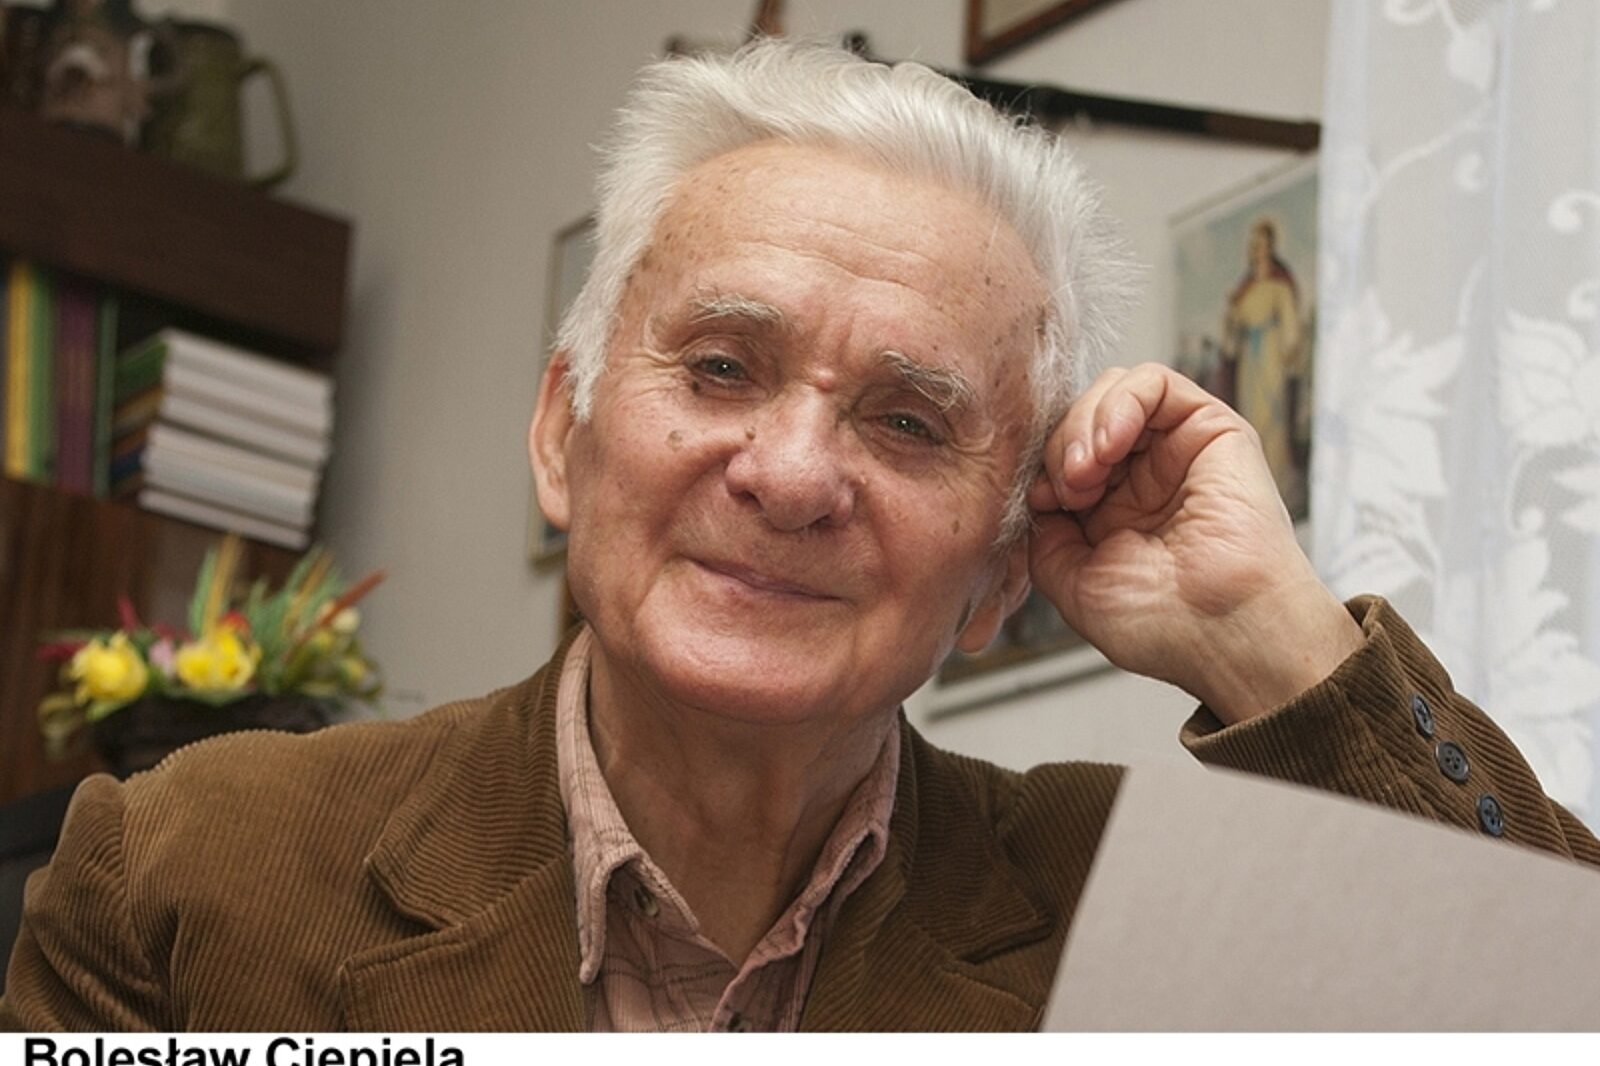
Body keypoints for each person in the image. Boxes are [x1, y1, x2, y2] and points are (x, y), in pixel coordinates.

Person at [4, 40, 1597, 1033]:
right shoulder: (183, 870)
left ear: (999, 572)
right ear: (563, 430)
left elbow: (1555, 1011)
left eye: (906, 422)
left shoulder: (1131, 912)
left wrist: (1270, 635)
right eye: (720, 366)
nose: (790, 472)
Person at [1220, 218, 1309, 516]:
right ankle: (1251, 492)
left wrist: (1289, 353)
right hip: (1249, 363)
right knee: (1250, 421)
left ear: (1270, 247)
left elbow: (1290, 330)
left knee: (1273, 420)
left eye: (1260, 244)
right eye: (1252, 245)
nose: (1255, 250)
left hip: (1270, 358)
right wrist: (1231, 318)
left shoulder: (1279, 287)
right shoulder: (1244, 292)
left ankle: (1277, 488)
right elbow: (1231, 339)